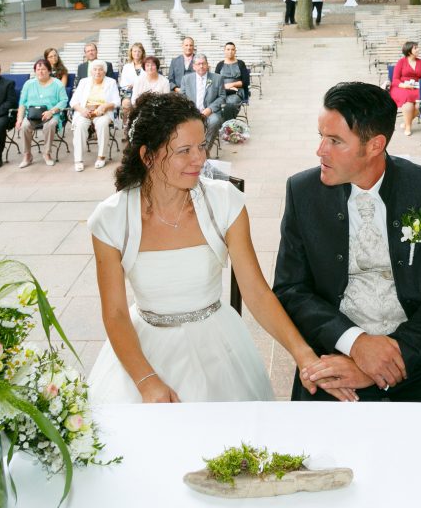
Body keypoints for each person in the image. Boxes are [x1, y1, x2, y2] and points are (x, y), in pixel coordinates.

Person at [86, 94, 354, 404]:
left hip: (217, 345)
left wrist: (304, 354)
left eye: (202, 146)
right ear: (147, 155)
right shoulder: (111, 218)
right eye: (184, 151)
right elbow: (116, 313)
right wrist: (146, 380)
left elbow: (256, 292)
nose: (199, 159)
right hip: (144, 347)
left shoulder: (225, 202)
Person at [273, 81, 421, 403]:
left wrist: (391, 356)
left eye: (335, 141)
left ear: (375, 145)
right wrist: (355, 343)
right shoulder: (303, 193)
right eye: (321, 136)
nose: (320, 150)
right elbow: (291, 290)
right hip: (335, 352)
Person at [16, 58, 68, 168]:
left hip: (51, 114)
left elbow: (64, 101)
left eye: (43, 69)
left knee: (50, 124)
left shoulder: (57, 84)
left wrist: (51, 111)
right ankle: (27, 155)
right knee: (25, 126)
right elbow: (22, 103)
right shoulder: (28, 84)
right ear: (35, 71)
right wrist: (19, 119)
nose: (40, 71)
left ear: (49, 71)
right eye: (38, 69)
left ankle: (47, 153)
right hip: (31, 115)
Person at [70, 59, 120, 171]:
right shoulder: (83, 82)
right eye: (95, 69)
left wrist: (105, 106)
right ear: (91, 71)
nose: (98, 72)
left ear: (104, 71)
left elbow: (117, 101)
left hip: (103, 112)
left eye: (101, 70)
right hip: (85, 111)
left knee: (102, 124)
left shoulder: (111, 82)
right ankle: (78, 160)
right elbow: (73, 101)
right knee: (80, 126)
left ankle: (101, 157)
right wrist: (82, 110)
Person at [181, 54, 238, 148]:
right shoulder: (186, 79)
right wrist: (191, 110)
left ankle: (205, 150)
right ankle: (190, 149)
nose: (201, 66)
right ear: (194, 66)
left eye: (203, 63)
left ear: (207, 65)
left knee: (215, 121)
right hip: (191, 112)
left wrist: (209, 109)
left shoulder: (217, 78)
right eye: (198, 64)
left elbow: (222, 97)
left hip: (210, 112)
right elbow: (182, 97)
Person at [390, 40, 421, 136]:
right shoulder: (401, 62)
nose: (418, 50)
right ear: (409, 51)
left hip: (416, 86)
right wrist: (405, 85)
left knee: (419, 105)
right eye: (415, 48)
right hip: (401, 87)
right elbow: (395, 80)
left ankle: (406, 121)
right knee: (408, 104)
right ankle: (408, 126)